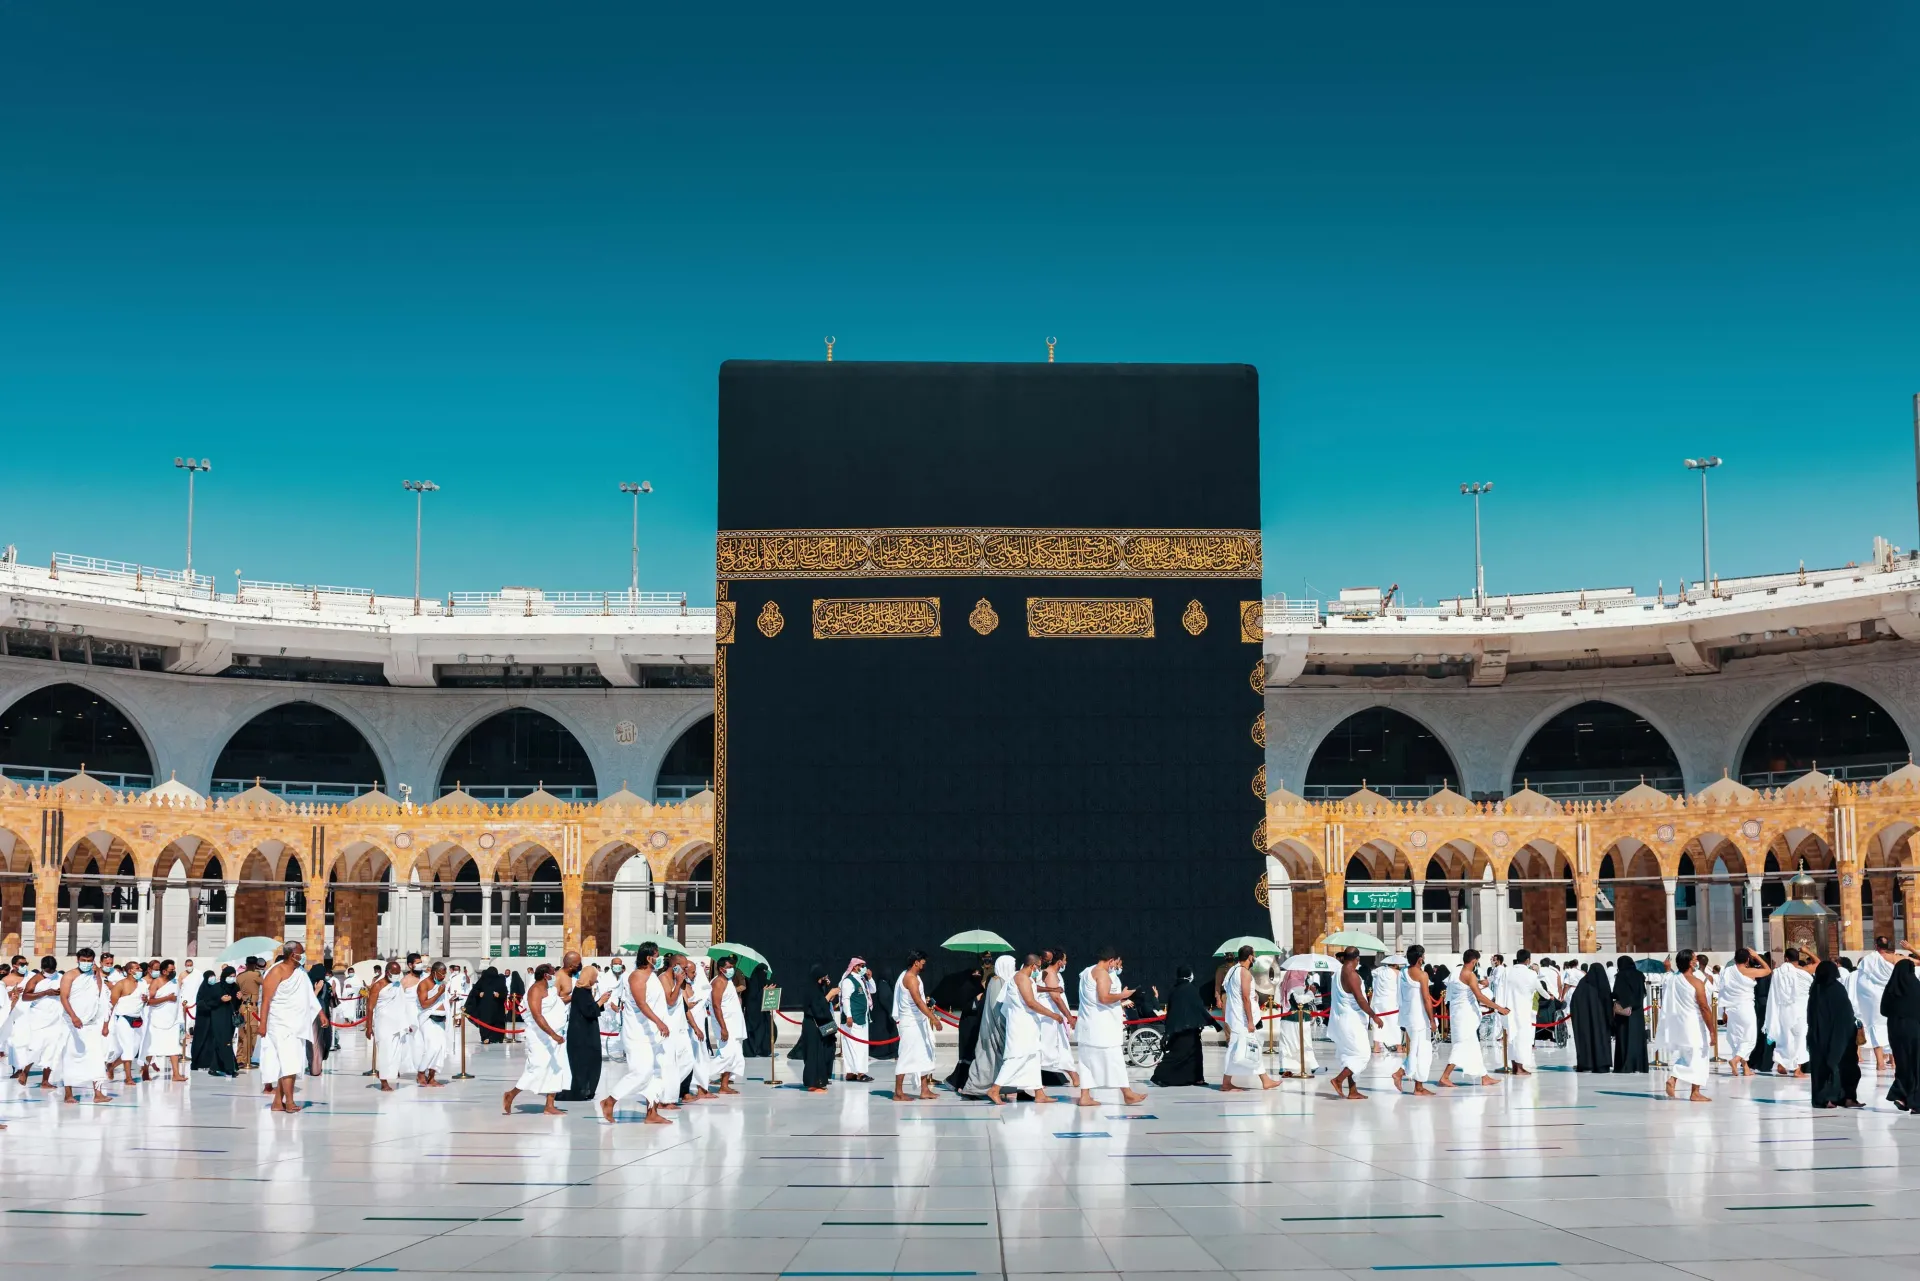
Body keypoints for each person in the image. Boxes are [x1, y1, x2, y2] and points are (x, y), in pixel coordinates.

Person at [600, 942, 672, 1125]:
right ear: (649, 958)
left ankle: (652, 1113)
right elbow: (642, 1004)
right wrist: (659, 1022)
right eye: (657, 955)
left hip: (654, 1034)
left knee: (657, 1073)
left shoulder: (653, 976)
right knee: (641, 1072)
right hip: (638, 1034)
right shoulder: (637, 977)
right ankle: (610, 1101)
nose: (659, 958)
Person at [258, 942, 319, 1113]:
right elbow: (266, 1000)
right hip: (280, 1024)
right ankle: (290, 1102)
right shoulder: (276, 972)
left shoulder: (300, 972)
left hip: (296, 1024)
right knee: (289, 1063)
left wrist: (320, 1014)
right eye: (302, 953)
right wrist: (262, 1024)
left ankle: (278, 1103)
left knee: (291, 1063)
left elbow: (308, 995)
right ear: (293, 955)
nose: (304, 955)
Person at [503, 962, 570, 1115]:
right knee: (537, 1067)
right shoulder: (535, 990)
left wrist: (574, 997)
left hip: (556, 1036)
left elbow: (558, 1003)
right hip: (540, 1036)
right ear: (546, 975)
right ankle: (511, 1094)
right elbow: (537, 1015)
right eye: (553, 973)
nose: (555, 976)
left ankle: (549, 1105)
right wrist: (552, 1034)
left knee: (556, 1067)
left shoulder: (550, 989)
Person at [1654, 948, 1714, 1103]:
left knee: (1688, 1055)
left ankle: (1673, 1079)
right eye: (1694, 959)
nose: (1696, 961)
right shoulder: (1696, 982)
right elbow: (1704, 1007)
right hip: (1694, 1022)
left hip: (1680, 1023)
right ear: (1689, 962)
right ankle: (1695, 1092)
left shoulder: (1673, 979)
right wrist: (1712, 1031)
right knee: (1700, 1055)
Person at [55, 947, 113, 1104]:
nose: (86, 963)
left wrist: (96, 975)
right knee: (70, 1057)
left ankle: (98, 1093)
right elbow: (64, 998)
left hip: (91, 1023)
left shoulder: (94, 975)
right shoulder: (69, 975)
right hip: (72, 1023)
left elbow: (100, 993)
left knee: (96, 1058)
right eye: (83, 961)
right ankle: (68, 1094)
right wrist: (73, 1016)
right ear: (78, 960)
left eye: (89, 961)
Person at [1220, 945, 1282, 1091]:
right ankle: (1227, 1083)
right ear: (1250, 957)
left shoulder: (1232, 970)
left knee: (1248, 1048)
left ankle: (1264, 1080)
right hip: (1241, 1019)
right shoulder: (1245, 973)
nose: (1254, 958)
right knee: (1245, 1048)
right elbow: (1245, 998)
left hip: (1234, 1016)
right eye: (1253, 955)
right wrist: (1250, 1021)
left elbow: (1234, 991)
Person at [1439, 949, 1504, 1088]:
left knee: (1473, 1046)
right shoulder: (1470, 975)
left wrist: (1479, 983)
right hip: (1465, 1016)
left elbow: (1463, 988)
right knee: (1461, 1046)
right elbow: (1479, 996)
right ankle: (1445, 1076)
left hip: (1456, 1013)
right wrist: (1499, 1008)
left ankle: (1484, 1077)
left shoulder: (1455, 972)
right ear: (1474, 961)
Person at [1807, 959, 1864, 1109]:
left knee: (1837, 1067)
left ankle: (1840, 1098)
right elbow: (1846, 1013)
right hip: (1839, 1036)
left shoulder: (1816, 988)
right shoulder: (1831, 988)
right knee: (1838, 1066)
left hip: (1823, 1036)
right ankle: (1834, 1098)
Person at [1329, 948, 1383, 1100]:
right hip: (1351, 1020)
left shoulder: (1338, 972)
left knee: (1349, 1055)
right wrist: (1374, 1016)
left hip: (1341, 1019)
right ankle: (1338, 1080)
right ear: (1357, 959)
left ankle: (1353, 1090)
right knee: (1362, 1055)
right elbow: (1360, 1000)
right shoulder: (1352, 975)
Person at [1151, 966, 1216, 1087]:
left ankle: (1196, 1078)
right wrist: (1212, 1022)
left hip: (1177, 1028)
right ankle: (1159, 1075)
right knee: (1180, 1054)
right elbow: (1198, 1007)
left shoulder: (1174, 990)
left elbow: (1171, 1011)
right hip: (1189, 1028)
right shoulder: (1191, 989)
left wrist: (1169, 1029)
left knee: (1193, 1053)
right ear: (1189, 975)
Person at [962, 956, 1016, 1098]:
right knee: (987, 1059)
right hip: (995, 1027)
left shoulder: (1002, 981)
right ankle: (974, 1089)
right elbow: (996, 1007)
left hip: (996, 1027)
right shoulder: (997, 982)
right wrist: (1005, 1025)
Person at [892, 950, 939, 1101]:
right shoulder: (911, 979)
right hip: (910, 1024)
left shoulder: (915, 977)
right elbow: (918, 1002)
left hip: (919, 1023)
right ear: (916, 962)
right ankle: (898, 1092)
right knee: (906, 1056)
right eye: (923, 962)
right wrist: (934, 1019)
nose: (924, 964)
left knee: (924, 1054)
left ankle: (924, 1090)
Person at [1717, 948, 1770, 1075]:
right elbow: (1768, 970)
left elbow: (1722, 990)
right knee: (1749, 1038)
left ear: (1735, 959)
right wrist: (1757, 956)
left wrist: (1724, 1011)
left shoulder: (1727, 971)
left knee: (1737, 1037)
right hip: (1745, 1007)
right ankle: (1735, 1060)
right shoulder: (1749, 971)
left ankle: (1745, 1068)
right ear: (1747, 960)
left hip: (1731, 1008)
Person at [1392, 945, 1437, 1095]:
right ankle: (1401, 1072)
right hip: (1419, 1018)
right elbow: (1426, 999)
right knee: (1419, 1052)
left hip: (1408, 1015)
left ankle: (1419, 1086)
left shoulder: (1403, 972)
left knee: (1421, 1051)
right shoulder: (1422, 975)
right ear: (1419, 959)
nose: (1424, 958)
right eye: (1423, 956)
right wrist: (1432, 1020)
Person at [1764, 948, 1814, 1078]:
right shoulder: (1804, 971)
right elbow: (1819, 963)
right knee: (1800, 1039)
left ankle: (1781, 1063)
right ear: (1798, 958)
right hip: (1800, 1011)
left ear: (1786, 959)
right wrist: (1807, 952)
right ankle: (1797, 1069)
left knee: (1784, 1038)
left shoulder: (1778, 973)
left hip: (1783, 1010)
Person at [1037, 949, 1081, 1092]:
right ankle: (1073, 1075)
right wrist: (1069, 1017)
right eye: (1065, 959)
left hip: (1052, 1019)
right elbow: (1056, 997)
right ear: (1060, 961)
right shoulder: (1050, 974)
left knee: (1060, 1047)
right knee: (1049, 1048)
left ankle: (1074, 1075)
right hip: (1049, 1020)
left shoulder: (1051, 973)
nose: (1066, 962)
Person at [1854, 937, 1900, 1074]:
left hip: (1873, 1000)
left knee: (1875, 1028)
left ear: (1875, 945)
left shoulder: (1868, 960)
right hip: (1890, 998)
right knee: (1892, 1029)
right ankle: (1893, 1061)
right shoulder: (1894, 958)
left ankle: (1880, 1063)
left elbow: (1862, 982)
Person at [1881, 954, 1920, 1112]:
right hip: (1914, 1030)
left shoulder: (1891, 988)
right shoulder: (1916, 986)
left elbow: (1883, 1010)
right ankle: (1915, 1102)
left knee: (1903, 1063)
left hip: (1895, 1029)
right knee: (1916, 1064)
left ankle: (1902, 1096)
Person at [367, 960, 414, 1089]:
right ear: (387, 972)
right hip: (383, 1024)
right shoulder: (378, 986)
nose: (397, 975)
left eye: (398, 973)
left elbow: (402, 1004)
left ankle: (387, 1075)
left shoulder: (397, 985)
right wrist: (368, 1027)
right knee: (384, 1052)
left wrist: (407, 1021)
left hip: (397, 1024)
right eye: (394, 973)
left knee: (395, 1053)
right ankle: (383, 1082)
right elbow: (370, 1007)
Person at [1494, 949, 1537, 1075]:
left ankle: (1514, 1066)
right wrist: (1550, 997)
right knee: (1522, 1038)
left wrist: (1500, 1007)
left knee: (1512, 1037)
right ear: (1528, 960)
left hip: (1509, 1009)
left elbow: (1500, 988)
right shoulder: (1531, 974)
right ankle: (1520, 1068)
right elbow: (1538, 988)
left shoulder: (1507, 971)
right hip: (1523, 1010)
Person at [413, 961, 456, 1088]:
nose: (443, 977)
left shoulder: (441, 984)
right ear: (434, 972)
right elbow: (424, 1004)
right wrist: (439, 993)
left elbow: (442, 1001)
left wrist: (449, 1000)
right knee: (433, 1048)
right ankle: (421, 1073)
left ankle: (432, 1077)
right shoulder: (423, 984)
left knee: (441, 1050)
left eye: (444, 974)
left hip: (441, 1021)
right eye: (441, 974)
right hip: (428, 1020)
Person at [192, 967, 240, 1076]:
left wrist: (239, 998)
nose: (232, 979)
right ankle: (230, 1069)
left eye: (233, 976)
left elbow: (236, 1005)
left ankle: (214, 1068)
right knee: (225, 1042)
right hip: (218, 1017)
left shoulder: (235, 987)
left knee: (222, 1042)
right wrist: (220, 1000)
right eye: (230, 976)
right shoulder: (216, 987)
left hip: (230, 1019)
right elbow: (207, 1002)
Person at [835, 957, 876, 1083]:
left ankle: (853, 1072)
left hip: (862, 1018)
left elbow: (873, 990)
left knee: (861, 1046)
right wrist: (848, 1016)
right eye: (862, 965)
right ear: (855, 966)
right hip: (852, 1019)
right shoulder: (848, 981)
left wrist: (870, 978)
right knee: (853, 1046)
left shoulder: (862, 979)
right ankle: (859, 1072)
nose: (864, 968)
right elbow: (845, 999)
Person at [708, 956, 745, 1094]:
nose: (731, 970)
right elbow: (716, 1006)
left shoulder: (727, 981)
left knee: (734, 1055)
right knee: (726, 1055)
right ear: (721, 968)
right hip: (726, 1025)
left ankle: (724, 1086)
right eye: (729, 967)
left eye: (732, 967)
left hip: (734, 1025)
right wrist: (723, 1027)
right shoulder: (718, 982)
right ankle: (699, 1078)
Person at [1568, 957, 1612, 1073]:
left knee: (1587, 1040)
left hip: (1585, 1022)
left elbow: (1574, 1003)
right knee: (1600, 1039)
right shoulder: (1602, 984)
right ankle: (1602, 1064)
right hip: (1601, 1021)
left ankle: (1587, 1063)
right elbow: (1608, 1003)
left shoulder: (1583, 983)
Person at [800, 964, 839, 1092]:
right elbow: (817, 1007)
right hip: (813, 1024)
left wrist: (826, 990)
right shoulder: (811, 989)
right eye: (822, 978)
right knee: (813, 1055)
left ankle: (820, 1080)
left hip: (817, 1024)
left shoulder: (816, 987)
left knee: (820, 1053)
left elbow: (820, 1002)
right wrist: (828, 995)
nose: (823, 980)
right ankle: (812, 1083)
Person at [1610, 957, 1649, 1074]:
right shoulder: (1639, 975)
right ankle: (1639, 1065)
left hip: (1624, 1012)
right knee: (1637, 1038)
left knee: (1624, 1038)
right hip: (1637, 1012)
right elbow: (1643, 993)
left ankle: (1625, 1065)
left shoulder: (1621, 976)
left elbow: (1617, 992)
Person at [234, 956, 264, 1071]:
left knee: (242, 1033)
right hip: (251, 1007)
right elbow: (266, 984)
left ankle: (239, 1058)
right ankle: (246, 1059)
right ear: (255, 964)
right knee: (251, 1033)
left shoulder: (240, 976)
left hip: (242, 1006)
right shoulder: (256, 975)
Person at [467, 966, 510, 1043]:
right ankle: (486, 1037)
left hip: (496, 1007)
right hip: (485, 1006)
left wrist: (499, 995)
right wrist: (479, 993)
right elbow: (474, 990)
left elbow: (504, 992)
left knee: (496, 1022)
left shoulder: (499, 981)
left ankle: (496, 1037)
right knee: (485, 1022)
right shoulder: (483, 980)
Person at [1370, 956, 1402, 1054]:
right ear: (1396, 964)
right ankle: (1399, 1046)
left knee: (1377, 1024)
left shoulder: (1379, 972)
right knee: (1394, 1024)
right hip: (1391, 1002)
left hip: (1378, 1002)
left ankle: (1376, 1046)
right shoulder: (1398, 973)